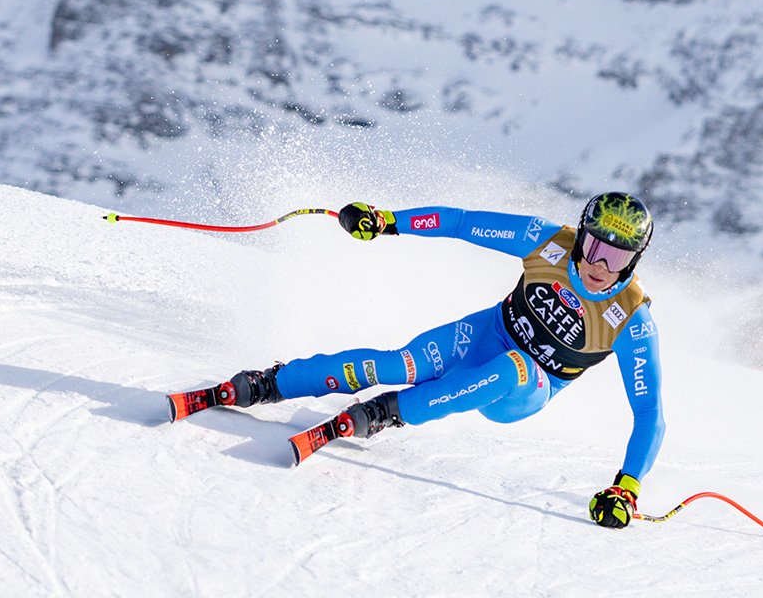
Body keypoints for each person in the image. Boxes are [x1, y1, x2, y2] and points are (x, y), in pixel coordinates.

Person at [173, 192, 664, 530]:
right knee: (394, 365)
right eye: (594, 247)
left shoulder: (632, 321)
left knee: (511, 367)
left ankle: (387, 413)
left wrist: (626, 488)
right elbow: (462, 222)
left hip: (525, 388)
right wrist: (387, 221)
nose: (599, 266)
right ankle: (271, 383)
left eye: (617, 258)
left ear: (634, 261)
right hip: (484, 334)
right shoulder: (549, 242)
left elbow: (649, 414)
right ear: (581, 235)